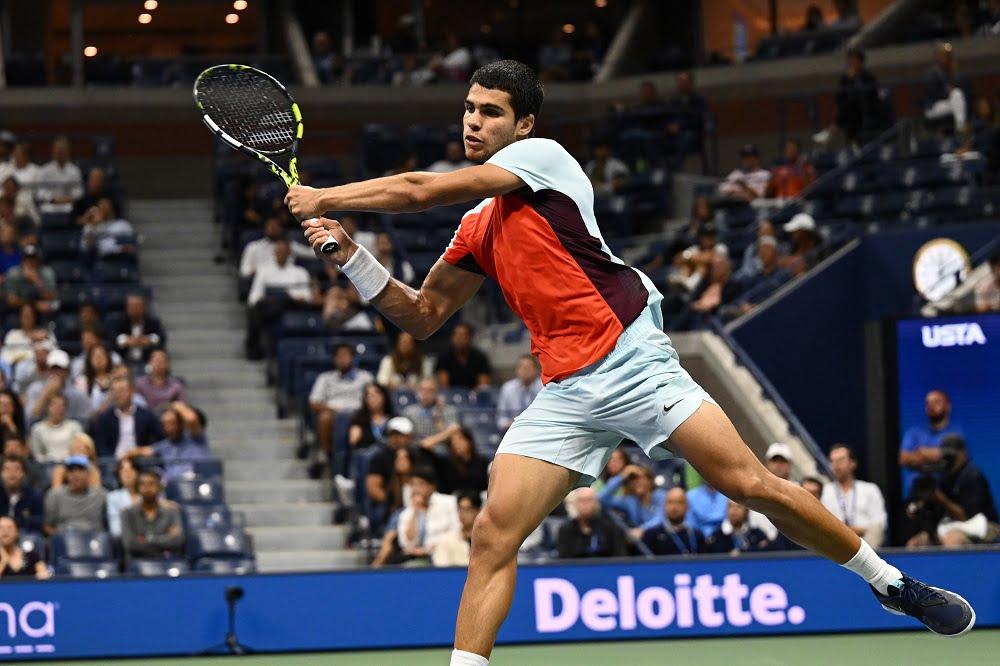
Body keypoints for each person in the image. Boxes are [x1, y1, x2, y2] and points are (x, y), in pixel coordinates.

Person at [287, 60, 974, 661]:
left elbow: (418, 190)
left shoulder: (544, 159)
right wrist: (351, 255)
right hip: (566, 391)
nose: (473, 120)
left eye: (490, 112)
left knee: (751, 485)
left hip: (631, 359)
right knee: (494, 532)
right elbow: (422, 315)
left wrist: (327, 196)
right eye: (468, 108)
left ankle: (891, 584)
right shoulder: (477, 229)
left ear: (523, 125)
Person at [906, 434, 999, 548]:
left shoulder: (972, 476)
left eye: (951, 456)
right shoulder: (944, 476)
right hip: (949, 525)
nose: (948, 460)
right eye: (946, 456)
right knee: (914, 544)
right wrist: (919, 506)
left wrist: (940, 498)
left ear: (963, 453)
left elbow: (966, 517)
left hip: (982, 526)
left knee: (951, 541)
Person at [373, 467, 461, 568]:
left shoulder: (449, 503)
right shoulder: (407, 512)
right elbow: (408, 543)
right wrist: (415, 512)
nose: (416, 489)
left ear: (432, 486)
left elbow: (458, 531)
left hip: (447, 555)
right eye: (413, 484)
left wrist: (427, 549)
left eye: (421, 484)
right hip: (419, 559)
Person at [245, 239, 312, 359]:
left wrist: (288, 295)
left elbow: (307, 297)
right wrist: (262, 300)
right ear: (274, 252)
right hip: (271, 306)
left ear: (289, 253)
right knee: (258, 308)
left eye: (284, 251)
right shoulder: (264, 271)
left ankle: (254, 346)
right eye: (279, 251)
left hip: (293, 304)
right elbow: (254, 296)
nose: (281, 254)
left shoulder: (300, 272)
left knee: (280, 299)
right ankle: (263, 349)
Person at [309, 344, 375, 461]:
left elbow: (375, 396)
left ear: (352, 357)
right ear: (334, 359)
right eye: (339, 356)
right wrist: (336, 411)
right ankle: (329, 456)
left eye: (345, 355)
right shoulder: (325, 378)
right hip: (334, 415)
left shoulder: (365, 377)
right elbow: (314, 403)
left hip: (359, 415)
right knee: (324, 418)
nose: (342, 359)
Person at [899, 390, 965, 499]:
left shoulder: (957, 433)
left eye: (936, 402)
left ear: (948, 406)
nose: (931, 406)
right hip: (915, 495)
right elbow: (902, 458)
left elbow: (955, 458)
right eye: (927, 403)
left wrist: (920, 454)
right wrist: (934, 456)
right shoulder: (913, 433)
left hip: (946, 498)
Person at [821, 444, 887, 548]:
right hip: (836, 546)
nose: (836, 465)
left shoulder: (870, 489)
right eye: (832, 461)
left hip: (867, 545)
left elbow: (880, 523)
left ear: (852, 463)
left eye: (841, 460)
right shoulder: (825, 491)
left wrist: (855, 530)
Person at [815, 49, 882, 148]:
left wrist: (853, 80)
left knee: (850, 108)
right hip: (850, 112)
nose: (851, 63)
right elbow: (840, 95)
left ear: (860, 62)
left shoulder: (868, 77)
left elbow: (870, 96)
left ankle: (832, 130)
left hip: (866, 110)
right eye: (850, 60)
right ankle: (849, 139)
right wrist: (849, 80)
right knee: (847, 108)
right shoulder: (845, 78)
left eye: (854, 60)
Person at [89, 375, 163, 458]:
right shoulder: (105, 418)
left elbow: (161, 439)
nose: (118, 395)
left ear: (131, 391)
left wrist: (145, 450)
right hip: (113, 461)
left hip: (140, 459)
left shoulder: (146, 415)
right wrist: (118, 460)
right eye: (115, 392)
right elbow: (101, 447)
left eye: (122, 391)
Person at [131, 404, 209, 483]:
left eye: (172, 423)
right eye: (165, 424)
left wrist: (176, 405)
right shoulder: (163, 446)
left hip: (197, 483)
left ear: (181, 424)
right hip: (173, 486)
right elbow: (140, 452)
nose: (168, 428)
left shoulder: (195, 437)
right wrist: (127, 460)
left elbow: (192, 419)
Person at [120, 469, 184, 563]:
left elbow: (177, 541)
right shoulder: (127, 513)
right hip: (137, 564)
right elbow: (130, 544)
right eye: (142, 484)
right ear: (137, 488)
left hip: (165, 563)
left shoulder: (172, 512)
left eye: (151, 484)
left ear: (159, 488)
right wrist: (164, 540)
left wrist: (147, 539)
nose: (147, 488)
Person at [24, 349, 92, 425]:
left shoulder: (78, 395)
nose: (56, 372)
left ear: (67, 371)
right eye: (53, 369)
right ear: (47, 371)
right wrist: (46, 394)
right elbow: (30, 420)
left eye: (60, 369)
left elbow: (84, 422)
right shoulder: (35, 389)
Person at [42, 454, 106, 535]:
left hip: (93, 538)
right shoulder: (54, 495)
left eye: (81, 470)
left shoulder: (101, 495)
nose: (76, 474)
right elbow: (47, 526)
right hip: (65, 538)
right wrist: (59, 537)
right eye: (71, 470)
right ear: (66, 475)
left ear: (88, 473)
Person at [598, 464, 666, 539]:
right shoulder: (630, 501)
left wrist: (641, 529)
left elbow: (660, 518)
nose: (637, 482)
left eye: (640, 478)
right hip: (640, 541)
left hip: (661, 537)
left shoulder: (660, 495)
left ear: (650, 481)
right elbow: (602, 499)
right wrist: (621, 476)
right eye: (633, 479)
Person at [556, 487, 627, 559]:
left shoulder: (610, 527)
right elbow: (563, 559)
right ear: (575, 504)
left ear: (597, 504)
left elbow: (620, 555)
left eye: (589, 500)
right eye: (581, 500)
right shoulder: (565, 529)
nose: (585, 504)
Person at [238, 216, 313, 280]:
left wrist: (315, 233)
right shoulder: (253, 247)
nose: (272, 228)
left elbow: (311, 253)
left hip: (286, 281)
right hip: (263, 281)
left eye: (275, 226)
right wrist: (258, 272)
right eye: (270, 225)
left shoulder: (289, 246)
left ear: (281, 229)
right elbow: (244, 271)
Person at [641, 487, 706, 556]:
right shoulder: (651, 535)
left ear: (687, 506)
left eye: (679, 502)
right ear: (664, 506)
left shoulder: (697, 535)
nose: (674, 507)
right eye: (670, 502)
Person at [429, 426, 490, 496]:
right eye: (452, 441)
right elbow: (423, 447)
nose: (455, 443)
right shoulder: (445, 463)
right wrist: (446, 434)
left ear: (469, 441)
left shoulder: (482, 462)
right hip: (451, 500)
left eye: (460, 439)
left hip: (477, 500)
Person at [402, 377, 461, 447]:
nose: (426, 393)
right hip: (417, 447)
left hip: (441, 447)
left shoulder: (448, 410)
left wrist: (438, 416)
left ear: (437, 392)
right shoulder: (409, 411)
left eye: (430, 390)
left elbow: (454, 432)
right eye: (422, 389)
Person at [924, 43, 967, 135]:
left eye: (947, 55)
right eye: (943, 55)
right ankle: (961, 127)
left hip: (948, 104)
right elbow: (932, 93)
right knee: (956, 94)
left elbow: (959, 89)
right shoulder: (933, 73)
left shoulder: (951, 71)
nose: (945, 57)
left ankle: (961, 128)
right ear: (938, 57)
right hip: (933, 107)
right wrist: (946, 92)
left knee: (957, 95)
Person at [434, 323, 493, 390]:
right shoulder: (444, 357)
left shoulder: (480, 357)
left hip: (474, 394)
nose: (460, 340)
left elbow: (483, 385)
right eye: (457, 336)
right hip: (450, 394)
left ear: (470, 338)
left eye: (463, 336)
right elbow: (444, 386)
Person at [433, 491, 482, 567]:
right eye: (460, 509)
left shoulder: (488, 540)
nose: (463, 513)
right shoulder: (447, 540)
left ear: (477, 510)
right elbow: (441, 568)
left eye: (468, 509)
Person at [29, 393, 84, 462]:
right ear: (48, 407)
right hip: (46, 464)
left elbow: (80, 448)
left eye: (62, 406)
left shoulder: (74, 426)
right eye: (55, 405)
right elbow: (37, 453)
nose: (58, 409)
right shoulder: (38, 428)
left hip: (70, 463)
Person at [5, 245, 58, 314]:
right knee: (24, 312)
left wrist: (36, 280)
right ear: (22, 261)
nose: (30, 262)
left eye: (33, 258)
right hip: (20, 309)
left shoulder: (47, 272)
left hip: (43, 308)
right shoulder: (14, 273)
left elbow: (52, 297)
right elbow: (11, 300)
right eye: (27, 259)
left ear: (38, 260)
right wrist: (34, 304)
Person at [114, 293, 166, 364]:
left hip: (147, 361)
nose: (135, 309)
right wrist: (126, 340)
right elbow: (113, 338)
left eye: (137, 306)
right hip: (124, 360)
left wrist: (149, 340)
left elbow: (161, 338)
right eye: (132, 307)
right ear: (127, 308)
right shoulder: (119, 321)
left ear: (144, 307)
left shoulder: (153, 322)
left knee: (159, 356)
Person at [495, 355, 543, 432]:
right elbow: (501, 418)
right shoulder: (507, 388)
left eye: (528, 368)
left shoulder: (544, 387)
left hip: (538, 429)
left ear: (536, 370)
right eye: (522, 367)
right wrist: (513, 424)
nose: (525, 371)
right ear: (516, 370)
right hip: (514, 430)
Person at [707, 500, 772, 555]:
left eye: (738, 507)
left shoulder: (756, 533)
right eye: (730, 506)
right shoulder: (718, 536)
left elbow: (767, 548)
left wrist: (740, 552)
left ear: (747, 511)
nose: (733, 512)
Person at [1, 303, 57, 367]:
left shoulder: (44, 334)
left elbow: (55, 353)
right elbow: (4, 355)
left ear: (35, 316)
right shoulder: (12, 335)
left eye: (30, 315)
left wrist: (47, 337)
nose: (27, 318)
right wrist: (30, 339)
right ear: (20, 317)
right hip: (14, 368)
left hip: (38, 369)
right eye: (25, 315)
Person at [36, 136, 83, 211]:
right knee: (45, 208)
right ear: (53, 151)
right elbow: (40, 191)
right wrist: (53, 198)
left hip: (68, 204)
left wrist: (68, 198)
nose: (60, 153)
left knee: (72, 209)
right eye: (57, 150)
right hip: (50, 205)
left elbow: (79, 192)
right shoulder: (45, 170)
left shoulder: (75, 171)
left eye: (62, 150)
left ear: (68, 151)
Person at [0, 457, 44, 533]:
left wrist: (16, 523)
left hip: (24, 533)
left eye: (16, 469)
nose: (12, 473)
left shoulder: (34, 496)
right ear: (1, 473)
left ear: (23, 473)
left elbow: (39, 522)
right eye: (7, 469)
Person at [348, 383, 395, 449]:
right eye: (368, 395)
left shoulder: (394, 419)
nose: (372, 397)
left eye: (376, 393)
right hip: (366, 453)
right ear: (365, 400)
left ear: (384, 396)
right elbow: (353, 442)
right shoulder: (358, 420)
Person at [106, 457, 140, 539]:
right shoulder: (113, 497)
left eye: (131, 469)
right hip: (125, 541)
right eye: (123, 470)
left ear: (138, 473)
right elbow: (115, 530)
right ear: (118, 475)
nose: (127, 473)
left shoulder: (148, 495)